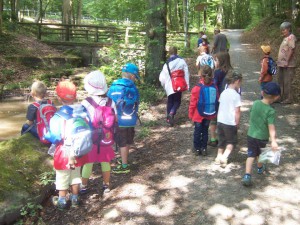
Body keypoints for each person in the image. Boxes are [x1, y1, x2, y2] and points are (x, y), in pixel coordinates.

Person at [45, 81, 89, 209]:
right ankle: (75, 199)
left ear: (58, 98)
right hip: (78, 150)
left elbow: (54, 136)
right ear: (75, 97)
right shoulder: (81, 112)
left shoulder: (57, 116)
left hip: (63, 152)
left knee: (62, 176)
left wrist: (44, 134)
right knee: (75, 175)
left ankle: (62, 201)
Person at [80, 71, 116, 194]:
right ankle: (106, 185)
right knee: (105, 161)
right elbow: (115, 119)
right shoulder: (111, 102)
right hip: (106, 137)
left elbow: (81, 120)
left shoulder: (86, 102)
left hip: (91, 139)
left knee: (88, 163)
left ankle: (83, 186)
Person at [242, 82, 280, 186]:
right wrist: (273, 141)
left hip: (251, 135)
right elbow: (271, 126)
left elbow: (251, 113)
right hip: (262, 137)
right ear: (276, 97)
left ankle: (247, 175)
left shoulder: (255, 103)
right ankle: (259, 168)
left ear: (262, 93)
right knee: (261, 154)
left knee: (251, 155)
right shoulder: (270, 111)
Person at [107, 63, 140, 174]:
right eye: (135, 76)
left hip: (118, 121)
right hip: (130, 120)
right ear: (131, 76)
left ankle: (124, 165)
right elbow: (137, 103)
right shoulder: (133, 88)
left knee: (122, 143)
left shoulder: (113, 87)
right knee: (126, 142)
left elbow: (108, 104)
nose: (135, 79)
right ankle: (124, 161)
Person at [189, 65, 218, 156]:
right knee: (205, 131)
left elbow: (193, 104)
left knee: (197, 132)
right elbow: (217, 100)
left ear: (201, 75)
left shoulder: (197, 88)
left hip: (198, 115)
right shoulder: (215, 87)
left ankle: (197, 149)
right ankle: (204, 148)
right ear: (212, 74)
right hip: (208, 114)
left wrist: (191, 115)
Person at [215, 71, 242, 168]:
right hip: (230, 122)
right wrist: (237, 123)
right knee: (231, 142)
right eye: (240, 83)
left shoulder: (223, 93)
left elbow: (220, 106)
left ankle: (218, 157)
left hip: (220, 120)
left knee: (221, 140)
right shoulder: (236, 95)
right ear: (237, 81)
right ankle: (224, 157)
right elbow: (237, 111)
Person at [159, 46, 190, 126]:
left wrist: (164, 85)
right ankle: (172, 113)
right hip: (178, 84)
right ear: (177, 52)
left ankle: (168, 118)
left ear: (169, 53)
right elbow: (186, 73)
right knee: (177, 101)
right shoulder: (181, 61)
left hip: (169, 85)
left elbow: (162, 77)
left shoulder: (167, 64)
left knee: (170, 100)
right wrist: (187, 84)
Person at [208, 52, 233, 147]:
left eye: (216, 60)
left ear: (221, 61)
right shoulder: (231, 71)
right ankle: (226, 138)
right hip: (228, 99)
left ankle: (213, 138)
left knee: (213, 119)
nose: (215, 62)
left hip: (218, 98)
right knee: (225, 118)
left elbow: (214, 85)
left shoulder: (217, 72)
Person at [277, 21, 297, 104]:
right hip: (281, 64)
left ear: (289, 29)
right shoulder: (285, 38)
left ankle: (289, 99)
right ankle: (280, 97)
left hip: (288, 65)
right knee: (280, 80)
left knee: (287, 81)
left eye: (284, 30)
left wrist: (287, 61)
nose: (282, 31)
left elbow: (291, 50)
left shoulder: (291, 37)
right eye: (282, 30)